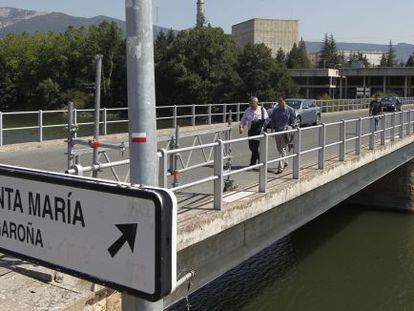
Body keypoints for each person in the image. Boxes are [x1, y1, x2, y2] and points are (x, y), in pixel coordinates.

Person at [270, 94, 297, 174]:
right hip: (277, 131)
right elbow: (273, 120)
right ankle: (285, 162)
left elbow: (294, 121)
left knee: (282, 149)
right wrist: (272, 130)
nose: (279, 102)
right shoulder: (275, 110)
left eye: (280, 101)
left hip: (285, 132)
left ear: (284, 101)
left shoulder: (290, 110)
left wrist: (290, 128)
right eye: (278, 101)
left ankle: (280, 168)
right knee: (279, 148)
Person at [239, 97, 269, 166]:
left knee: (255, 147)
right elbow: (243, 120)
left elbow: (267, 120)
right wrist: (241, 127)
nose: (251, 105)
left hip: (260, 131)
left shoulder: (262, 109)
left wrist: (263, 127)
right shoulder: (248, 110)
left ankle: (253, 162)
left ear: (256, 103)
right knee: (251, 147)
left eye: (253, 103)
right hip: (251, 131)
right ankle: (260, 159)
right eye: (250, 103)